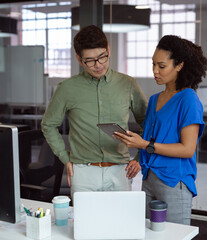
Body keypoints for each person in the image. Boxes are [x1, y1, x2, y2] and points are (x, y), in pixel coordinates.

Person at [41, 25, 148, 200]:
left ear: (109, 50)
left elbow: (148, 123)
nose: (98, 65)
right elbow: (48, 125)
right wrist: (65, 158)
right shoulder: (66, 88)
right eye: (89, 60)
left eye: (102, 57)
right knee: (85, 226)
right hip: (83, 171)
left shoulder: (128, 84)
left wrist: (139, 157)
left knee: (120, 225)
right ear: (79, 59)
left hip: (120, 170)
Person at [114, 35, 207, 225]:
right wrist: (138, 158)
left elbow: (187, 149)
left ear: (179, 66)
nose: (155, 71)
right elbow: (151, 139)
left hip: (174, 181)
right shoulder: (154, 100)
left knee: (174, 236)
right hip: (149, 179)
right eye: (153, 64)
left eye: (162, 66)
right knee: (149, 233)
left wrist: (144, 145)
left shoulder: (188, 99)